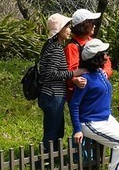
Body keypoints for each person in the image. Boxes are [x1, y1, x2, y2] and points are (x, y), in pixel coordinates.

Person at [69, 38, 119, 170]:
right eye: (103, 54)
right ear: (96, 57)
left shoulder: (100, 73)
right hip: (90, 122)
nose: (106, 56)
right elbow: (74, 104)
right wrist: (77, 129)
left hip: (105, 118)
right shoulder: (85, 80)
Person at [36, 13, 86, 146]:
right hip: (53, 95)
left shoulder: (51, 47)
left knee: (57, 130)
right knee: (53, 132)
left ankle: (53, 158)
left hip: (53, 95)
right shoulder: (56, 50)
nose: (70, 30)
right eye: (67, 27)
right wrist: (74, 73)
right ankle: (48, 159)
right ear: (59, 30)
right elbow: (50, 74)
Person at [66, 8, 113, 93]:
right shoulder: (72, 47)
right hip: (81, 92)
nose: (94, 26)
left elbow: (106, 60)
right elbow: (70, 71)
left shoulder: (92, 41)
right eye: (92, 23)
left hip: (97, 88)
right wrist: (74, 80)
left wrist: (105, 72)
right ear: (85, 25)